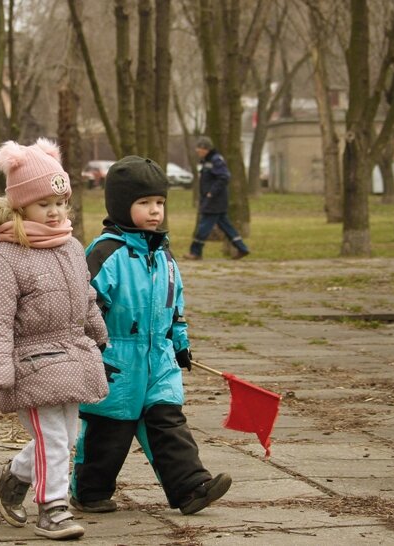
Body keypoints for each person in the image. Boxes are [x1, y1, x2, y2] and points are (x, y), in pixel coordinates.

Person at [70, 155, 232, 516]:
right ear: (120, 206)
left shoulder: (164, 255)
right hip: (115, 360)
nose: (155, 211)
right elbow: (82, 305)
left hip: (158, 358)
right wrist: (88, 348)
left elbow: (175, 304)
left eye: (159, 202)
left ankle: (192, 487)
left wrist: (180, 341)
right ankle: (88, 491)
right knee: (109, 434)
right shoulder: (105, 253)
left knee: (168, 422)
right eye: (144, 203)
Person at [0, 138, 109, 540]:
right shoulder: (3, 258)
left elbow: (85, 297)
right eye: (43, 204)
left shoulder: (70, 247)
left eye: (59, 202)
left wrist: (98, 333)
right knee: (52, 439)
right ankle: (52, 508)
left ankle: (11, 479)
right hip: (30, 362)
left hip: (71, 356)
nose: (54, 212)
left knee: (65, 438)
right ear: (20, 206)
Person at [183, 136, 250, 260]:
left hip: (215, 200)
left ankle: (195, 252)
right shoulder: (205, 161)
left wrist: (211, 193)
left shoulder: (216, 160)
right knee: (226, 226)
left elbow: (224, 176)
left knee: (204, 227)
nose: (197, 150)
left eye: (199, 148)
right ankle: (242, 248)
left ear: (206, 148)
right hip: (211, 200)